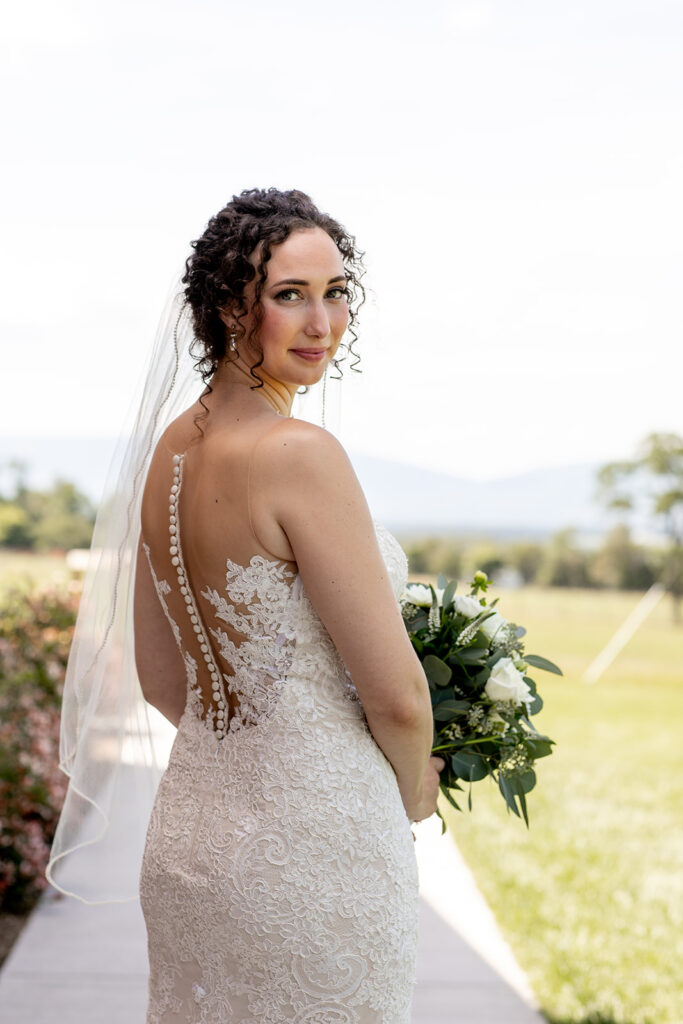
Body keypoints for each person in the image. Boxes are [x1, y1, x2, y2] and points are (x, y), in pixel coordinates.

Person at [54, 187, 445, 1023]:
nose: (322, 323)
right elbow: (398, 697)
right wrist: (413, 793)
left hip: (192, 842)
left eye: (335, 292)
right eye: (289, 295)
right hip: (316, 850)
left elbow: (164, 679)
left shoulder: (173, 448)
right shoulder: (299, 453)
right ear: (232, 306)